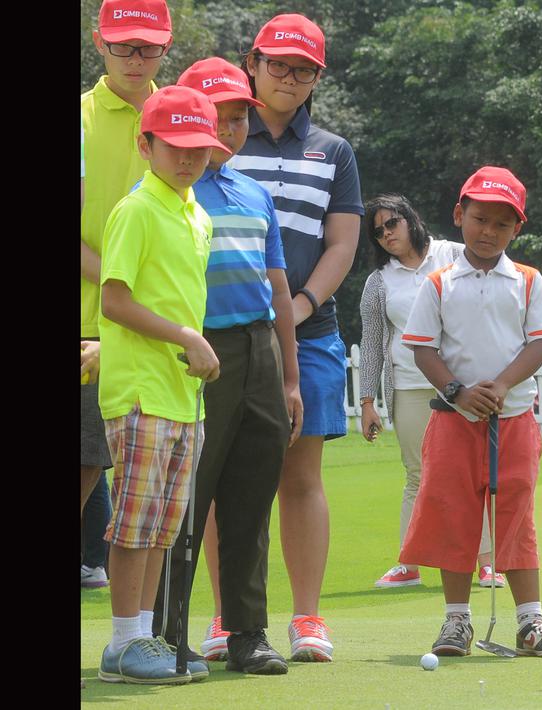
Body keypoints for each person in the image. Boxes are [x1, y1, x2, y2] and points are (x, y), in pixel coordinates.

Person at [146, 57, 304, 677]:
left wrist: (290, 377)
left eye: (240, 118)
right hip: (197, 354)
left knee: (250, 495)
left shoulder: (254, 192)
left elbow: (278, 285)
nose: (232, 130)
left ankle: (247, 633)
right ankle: (166, 635)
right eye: (220, 118)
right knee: (187, 497)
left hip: (258, 346)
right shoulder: (171, 194)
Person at [227, 13, 364, 663]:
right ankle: (228, 619)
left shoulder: (332, 151)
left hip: (310, 331)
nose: (288, 78)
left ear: (317, 78)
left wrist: (301, 304)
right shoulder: (220, 136)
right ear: (252, 62)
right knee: (227, 475)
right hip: (227, 329)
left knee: (300, 475)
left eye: (303, 69)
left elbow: (342, 243)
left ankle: (307, 618)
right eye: (278, 64)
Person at [399, 166, 542, 659]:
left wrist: (501, 384)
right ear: (460, 216)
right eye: (479, 218)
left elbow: (541, 342)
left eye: (501, 223)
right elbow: (423, 349)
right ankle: (457, 621)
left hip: (513, 418)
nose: (488, 230)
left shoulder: (527, 280)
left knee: (517, 516)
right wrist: (457, 391)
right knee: (453, 513)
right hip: (454, 420)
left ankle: (530, 621)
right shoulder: (438, 283)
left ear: (516, 228)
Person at [96, 84, 228, 685]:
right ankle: (124, 641)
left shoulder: (196, 214)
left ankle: (142, 638)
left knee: (162, 525)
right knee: (134, 521)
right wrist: (186, 337)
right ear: (144, 144)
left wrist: (186, 343)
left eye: (199, 148)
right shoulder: (137, 209)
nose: (187, 159)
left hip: (182, 396)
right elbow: (114, 298)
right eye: (174, 146)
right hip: (142, 391)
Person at [358, 194, 505, 589]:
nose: (386, 235)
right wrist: (367, 402)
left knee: (475, 473)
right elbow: (372, 343)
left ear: (410, 219)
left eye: (392, 224)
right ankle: (411, 562)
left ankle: (488, 562)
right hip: (408, 385)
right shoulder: (379, 281)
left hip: (465, 385)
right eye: (378, 232)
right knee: (417, 474)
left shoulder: (454, 254)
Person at [82, 0, 174, 527]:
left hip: (163, 331)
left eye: (148, 47)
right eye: (123, 45)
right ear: (100, 42)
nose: (135, 58)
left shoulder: (184, 118)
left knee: (152, 498)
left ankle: (139, 616)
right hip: (89, 323)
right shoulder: (78, 117)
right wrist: (126, 287)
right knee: (83, 469)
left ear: (166, 44)